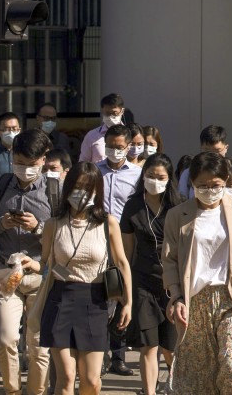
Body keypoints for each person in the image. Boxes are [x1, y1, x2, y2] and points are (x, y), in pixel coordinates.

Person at [162, 150, 232, 395]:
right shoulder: (177, 215)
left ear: (226, 183)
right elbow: (169, 261)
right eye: (202, 185)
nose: (210, 190)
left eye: (216, 185)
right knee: (199, 378)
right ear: (191, 183)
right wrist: (176, 297)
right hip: (195, 302)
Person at [36, 161, 134, 395]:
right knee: (66, 378)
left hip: (95, 301)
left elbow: (122, 262)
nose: (83, 193)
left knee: (91, 381)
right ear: (68, 188)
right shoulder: (53, 224)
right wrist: (26, 266)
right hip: (60, 299)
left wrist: (128, 302)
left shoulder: (107, 223)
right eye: (78, 186)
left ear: (97, 192)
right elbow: (44, 263)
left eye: (89, 188)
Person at [0, 129, 54, 395]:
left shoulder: (55, 189)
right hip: (6, 274)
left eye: (31, 164)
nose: (25, 169)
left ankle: (36, 391)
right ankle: (12, 390)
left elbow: (64, 235)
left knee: (38, 344)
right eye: (20, 162)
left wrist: (38, 228)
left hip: (41, 273)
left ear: (43, 159)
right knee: (5, 339)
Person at [120, 153, 183, 395]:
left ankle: (177, 385)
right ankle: (149, 391)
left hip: (172, 281)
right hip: (142, 280)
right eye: (150, 175)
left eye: (160, 177)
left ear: (169, 180)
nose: (154, 180)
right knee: (148, 344)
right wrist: (126, 291)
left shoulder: (178, 206)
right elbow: (126, 252)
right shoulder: (133, 205)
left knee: (171, 345)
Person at [98, 122, 143, 376]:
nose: (114, 151)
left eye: (119, 147)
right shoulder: (95, 172)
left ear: (128, 147)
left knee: (123, 293)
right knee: (104, 295)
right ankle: (101, 352)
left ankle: (118, 355)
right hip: (97, 240)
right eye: (110, 147)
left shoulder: (137, 175)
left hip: (125, 241)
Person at [178, 125, 231, 198]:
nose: (212, 155)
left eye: (217, 151)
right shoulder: (188, 173)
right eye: (207, 150)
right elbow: (182, 200)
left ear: (226, 148)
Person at [78, 93, 125, 163]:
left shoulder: (130, 134)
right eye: (107, 113)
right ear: (102, 111)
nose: (111, 117)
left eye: (114, 113)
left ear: (122, 111)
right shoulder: (92, 136)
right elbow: (83, 163)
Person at [0, 112, 21, 178]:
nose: (11, 132)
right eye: (7, 129)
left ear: (19, 130)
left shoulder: (27, 152)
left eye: (14, 129)